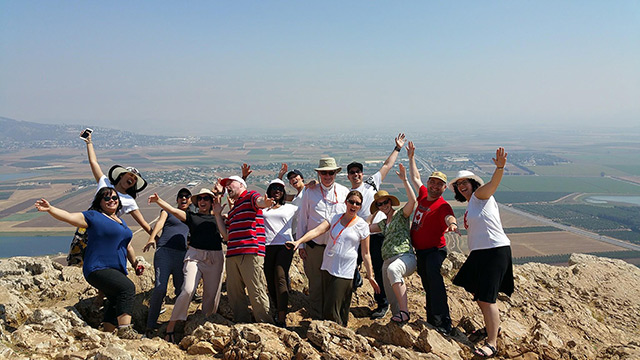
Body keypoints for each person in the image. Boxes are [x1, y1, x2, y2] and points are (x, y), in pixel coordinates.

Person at [35, 188, 143, 339]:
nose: (111, 200)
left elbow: (127, 246)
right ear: (100, 202)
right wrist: (50, 209)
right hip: (97, 268)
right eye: (106, 198)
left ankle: (108, 334)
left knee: (115, 299)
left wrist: (135, 263)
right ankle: (125, 330)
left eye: (114, 197)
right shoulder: (94, 216)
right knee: (127, 288)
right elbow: (69, 217)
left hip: (116, 269)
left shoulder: (120, 221)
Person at [449, 147, 514, 358]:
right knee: (479, 295)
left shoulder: (480, 196)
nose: (461, 186)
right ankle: (491, 326)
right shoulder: (471, 206)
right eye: (458, 185)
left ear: (473, 184)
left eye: (464, 182)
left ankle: (492, 342)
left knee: (487, 298)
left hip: (494, 251)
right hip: (481, 253)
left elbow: (493, 184)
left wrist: (500, 168)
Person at [287, 190, 380, 326]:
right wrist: (299, 241)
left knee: (333, 306)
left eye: (357, 203)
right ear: (346, 202)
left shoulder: (362, 226)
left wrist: (370, 276)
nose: (353, 205)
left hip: (345, 271)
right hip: (328, 266)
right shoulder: (335, 218)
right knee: (331, 305)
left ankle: (335, 334)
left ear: (360, 207)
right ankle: (339, 331)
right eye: (351, 202)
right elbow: (317, 231)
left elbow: (366, 254)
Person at [148, 188, 226, 343]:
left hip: (215, 257)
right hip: (194, 256)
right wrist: (159, 201)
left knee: (211, 296)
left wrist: (217, 215)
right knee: (187, 289)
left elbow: (226, 236)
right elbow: (171, 210)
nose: (203, 201)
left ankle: (205, 324)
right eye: (200, 199)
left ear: (212, 202)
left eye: (206, 198)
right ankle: (171, 326)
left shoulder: (220, 217)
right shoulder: (191, 216)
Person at [347, 133, 406, 319]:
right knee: (351, 262)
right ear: (348, 176)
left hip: (377, 234)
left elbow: (387, 166)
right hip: (358, 234)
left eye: (358, 171)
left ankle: (382, 304)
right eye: (352, 172)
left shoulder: (371, 183)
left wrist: (397, 148)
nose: (356, 174)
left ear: (362, 174)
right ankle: (356, 280)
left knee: (379, 270)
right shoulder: (346, 194)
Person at [407, 141, 459, 334]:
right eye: (433, 182)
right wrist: (411, 157)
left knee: (434, 283)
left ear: (444, 188)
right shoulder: (422, 195)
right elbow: (415, 177)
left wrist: (452, 224)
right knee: (427, 284)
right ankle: (433, 319)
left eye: (439, 184)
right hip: (420, 251)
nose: (435, 186)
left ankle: (444, 322)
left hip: (435, 251)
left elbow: (448, 216)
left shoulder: (443, 205)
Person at [296, 157, 350, 318]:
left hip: (336, 248)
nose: (327, 176)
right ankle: (316, 319)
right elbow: (302, 219)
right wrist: (301, 245)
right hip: (314, 247)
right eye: (324, 173)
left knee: (333, 284)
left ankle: (332, 318)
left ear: (336, 173)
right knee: (316, 285)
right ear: (319, 174)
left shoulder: (344, 192)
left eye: (331, 173)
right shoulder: (309, 192)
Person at [218, 175, 273, 323]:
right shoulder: (234, 209)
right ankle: (242, 324)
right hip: (232, 253)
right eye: (226, 185)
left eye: (230, 183)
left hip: (250, 251)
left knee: (256, 290)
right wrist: (217, 214)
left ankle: (266, 325)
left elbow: (259, 201)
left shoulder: (250, 195)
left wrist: (265, 202)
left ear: (241, 185)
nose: (227, 186)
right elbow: (226, 235)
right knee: (234, 293)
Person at [368, 163, 417, 323]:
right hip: (386, 261)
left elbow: (413, 201)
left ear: (391, 201)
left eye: (385, 202)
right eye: (380, 204)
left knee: (394, 271)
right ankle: (398, 317)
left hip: (404, 257)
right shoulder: (383, 223)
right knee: (390, 293)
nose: (384, 206)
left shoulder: (401, 216)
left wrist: (404, 180)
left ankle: (405, 312)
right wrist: (374, 211)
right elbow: (365, 228)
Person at [81, 131, 153, 234]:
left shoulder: (129, 201)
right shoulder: (104, 182)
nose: (132, 179)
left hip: (104, 232)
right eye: (130, 175)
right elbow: (93, 162)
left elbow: (143, 223)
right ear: (121, 175)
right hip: (87, 226)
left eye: (135, 179)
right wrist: (89, 143)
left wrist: (156, 238)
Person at [142, 188, 191, 336]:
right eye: (180, 196)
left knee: (181, 291)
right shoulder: (168, 212)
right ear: (177, 200)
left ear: (190, 200)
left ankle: (178, 323)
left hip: (182, 255)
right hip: (164, 252)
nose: (183, 198)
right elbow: (160, 223)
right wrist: (152, 238)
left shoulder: (191, 216)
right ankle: (150, 325)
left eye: (186, 196)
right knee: (160, 288)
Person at [262, 179, 298, 327]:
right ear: (269, 191)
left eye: (280, 189)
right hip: (266, 246)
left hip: (285, 245)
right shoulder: (262, 210)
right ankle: (277, 309)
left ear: (283, 193)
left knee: (280, 276)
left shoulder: (291, 208)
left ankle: (282, 316)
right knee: (270, 279)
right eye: (274, 188)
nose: (277, 190)